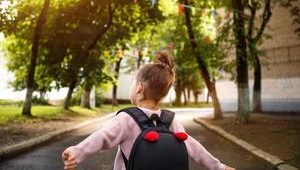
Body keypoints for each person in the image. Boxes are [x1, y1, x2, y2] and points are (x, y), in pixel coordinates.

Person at [62, 51, 236, 170]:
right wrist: (218, 167)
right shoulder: (170, 120)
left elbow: (102, 138)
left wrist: (77, 152)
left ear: (139, 88)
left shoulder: (127, 119)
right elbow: (193, 147)